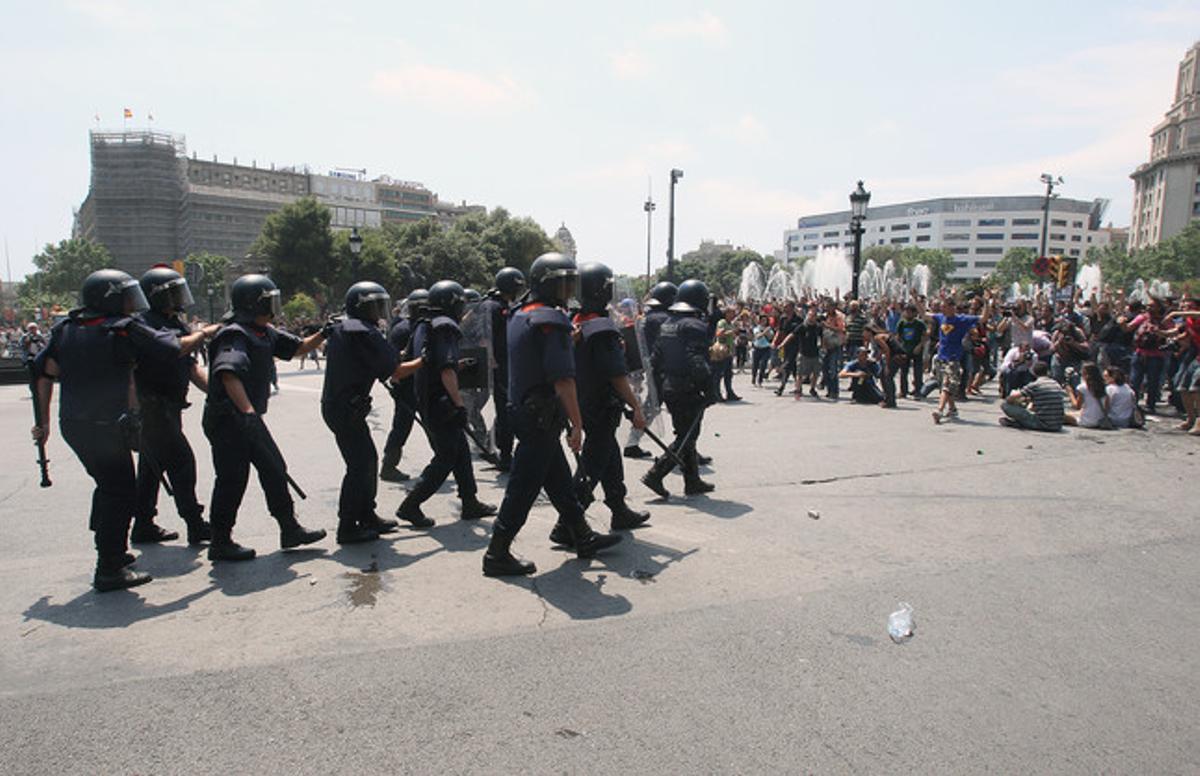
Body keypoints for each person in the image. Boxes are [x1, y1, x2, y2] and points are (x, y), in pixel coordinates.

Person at [31, 269, 183, 591]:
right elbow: (172, 348)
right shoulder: (123, 329)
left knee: (107, 486)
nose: (132, 302)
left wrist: (43, 423)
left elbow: (44, 373)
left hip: (74, 425)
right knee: (119, 491)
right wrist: (204, 334)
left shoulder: (66, 329)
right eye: (127, 295)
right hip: (109, 426)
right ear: (111, 297)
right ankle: (109, 568)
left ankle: (111, 548)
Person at [483, 253, 622, 577]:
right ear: (548, 284)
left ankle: (582, 536)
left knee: (558, 480)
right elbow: (563, 380)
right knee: (522, 488)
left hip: (523, 410)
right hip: (541, 416)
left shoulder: (521, 314)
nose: (567, 290)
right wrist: (577, 423)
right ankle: (496, 552)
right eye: (562, 283)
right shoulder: (553, 321)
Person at [203, 273, 328, 561]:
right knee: (232, 478)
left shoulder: (263, 332)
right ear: (252, 304)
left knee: (274, 467)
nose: (274, 306)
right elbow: (228, 373)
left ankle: (289, 528)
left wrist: (324, 332)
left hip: (246, 417)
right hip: (229, 419)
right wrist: (247, 412)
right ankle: (220, 541)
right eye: (268, 301)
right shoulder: (234, 333)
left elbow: (298, 348)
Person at [322, 282, 425, 544]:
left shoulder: (347, 327)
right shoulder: (363, 332)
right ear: (364, 306)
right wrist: (426, 359)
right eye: (377, 305)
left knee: (367, 460)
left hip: (342, 406)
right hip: (346, 409)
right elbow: (397, 371)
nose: (381, 310)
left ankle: (367, 515)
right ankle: (347, 526)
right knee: (359, 465)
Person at [394, 281, 497, 528]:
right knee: (446, 457)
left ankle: (470, 501)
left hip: (427, 398)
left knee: (460, 451)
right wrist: (459, 404)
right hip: (442, 401)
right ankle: (410, 505)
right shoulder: (446, 326)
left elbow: (427, 361)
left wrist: (456, 367)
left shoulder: (423, 324)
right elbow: (445, 370)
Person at [131, 265, 220, 546]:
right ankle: (195, 524)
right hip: (152, 408)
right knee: (181, 463)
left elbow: (191, 368)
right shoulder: (144, 324)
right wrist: (204, 333)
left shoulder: (176, 324)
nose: (179, 299)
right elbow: (177, 348)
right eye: (173, 294)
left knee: (150, 467)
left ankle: (143, 524)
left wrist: (218, 393)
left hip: (169, 407)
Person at [567, 261, 651, 534]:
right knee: (592, 463)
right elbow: (616, 375)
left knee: (608, 453)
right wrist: (636, 406)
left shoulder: (576, 322)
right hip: (601, 404)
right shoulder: (602, 328)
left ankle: (618, 507)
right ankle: (568, 523)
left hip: (583, 401)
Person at [641, 278, 716, 499]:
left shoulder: (668, 324)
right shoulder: (694, 326)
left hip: (670, 386)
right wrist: (709, 389)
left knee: (685, 433)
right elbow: (697, 362)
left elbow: (655, 360)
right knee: (687, 435)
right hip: (688, 387)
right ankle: (656, 474)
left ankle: (692, 481)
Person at [479, 267, 526, 471]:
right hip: (500, 365)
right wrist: (491, 358)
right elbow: (484, 337)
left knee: (502, 410)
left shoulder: (489, 304)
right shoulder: (498, 308)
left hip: (497, 365)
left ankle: (497, 449)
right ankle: (505, 456)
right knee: (505, 410)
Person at [380, 289, 428, 482]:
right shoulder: (405, 329)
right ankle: (389, 466)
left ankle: (389, 466)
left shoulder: (404, 327)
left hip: (412, 383)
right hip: (410, 383)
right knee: (406, 426)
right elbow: (393, 360)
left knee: (404, 426)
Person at [624, 281, 675, 459]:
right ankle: (685, 448)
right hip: (665, 368)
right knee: (682, 411)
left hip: (651, 367)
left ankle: (632, 442)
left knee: (651, 407)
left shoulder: (646, 316)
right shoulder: (663, 318)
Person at [928, 295, 991, 425]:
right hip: (941, 358)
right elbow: (924, 314)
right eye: (941, 306)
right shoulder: (940, 317)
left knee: (947, 384)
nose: (941, 308)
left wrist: (986, 302)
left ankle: (939, 411)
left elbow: (983, 318)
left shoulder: (962, 320)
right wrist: (915, 299)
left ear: (952, 308)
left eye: (944, 306)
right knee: (944, 387)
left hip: (953, 358)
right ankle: (952, 409)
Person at [999, 361, 1065, 431]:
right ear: (1048, 372)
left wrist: (1014, 401)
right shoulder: (1056, 384)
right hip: (1057, 425)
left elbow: (1011, 398)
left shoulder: (1035, 385)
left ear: (1033, 372)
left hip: (1042, 424)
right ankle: (1020, 423)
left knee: (1005, 405)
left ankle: (1020, 423)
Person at [1064, 362, 1110, 428]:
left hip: (1086, 422)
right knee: (1076, 413)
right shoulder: (1104, 387)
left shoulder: (1082, 387)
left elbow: (1077, 406)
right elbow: (1107, 407)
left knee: (1064, 415)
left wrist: (1070, 392)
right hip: (1100, 421)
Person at [895, 304, 926, 398]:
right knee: (903, 371)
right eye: (906, 311)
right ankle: (903, 391)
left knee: (918, 371)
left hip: (916, 349)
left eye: (909, 311)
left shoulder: (919, 324)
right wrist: (898, 348)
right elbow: (898, 336)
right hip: (905, 349)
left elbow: (925, 336)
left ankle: (918, 391)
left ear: (914, 313)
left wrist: (920, 346)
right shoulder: (902, 323)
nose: (907, 313)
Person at [771, 302, 802, 396]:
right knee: (793, 368)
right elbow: (779, 331)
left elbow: (795, 334)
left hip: (795, 346)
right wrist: (774, 341)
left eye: (786, 307)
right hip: (784, 346)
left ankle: (781, 388)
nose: (784, 308)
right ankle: (798, 387)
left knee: (787, 366)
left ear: (792, 308)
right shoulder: (783, 318)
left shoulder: (798, 320)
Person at [712, 306, 740, 401]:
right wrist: (730, 332)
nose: (734, 315)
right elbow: (718, 334)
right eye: (732, 313)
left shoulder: (730, 323)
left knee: (728, 374)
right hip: (722, 351)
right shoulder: (722, 322)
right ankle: (716, 394)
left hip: (729, 351)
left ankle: (730, 392)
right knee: (719, 373)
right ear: (726, 313)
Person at [794, 308, 823, 397]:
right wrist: (784, 343)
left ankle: (812, 388)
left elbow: (821, 338)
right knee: (800, 373)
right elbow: (793, 334)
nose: (811, 317)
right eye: (810, 315)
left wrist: (823, 346)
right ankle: (798, 389)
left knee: (815, 373)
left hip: (815, 353)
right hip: (803, 353)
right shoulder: (802, 326)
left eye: (813, 316)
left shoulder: (818, 327)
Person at [750, 313, 774, 387]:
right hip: (757, 348)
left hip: (766, 348)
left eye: (765, 320)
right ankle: (754, 378)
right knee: (755, 365)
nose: (764, 322)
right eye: (762, 320)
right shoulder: (756, 328)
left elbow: (770, 337)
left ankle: (760, 380)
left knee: (763, 364)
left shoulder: (769, 329)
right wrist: (764, 332)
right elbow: (757, 336)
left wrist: (767, 332)